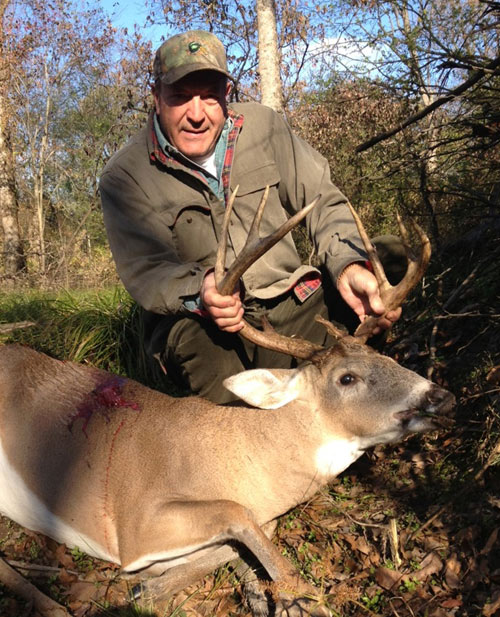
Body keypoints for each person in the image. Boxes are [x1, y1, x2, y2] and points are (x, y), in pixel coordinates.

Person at [99, 30, 403, 404]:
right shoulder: (126, 175)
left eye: (209, 96)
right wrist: (203, 288)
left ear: (226, 95)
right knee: (217, 376)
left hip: (292, 300)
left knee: (387, 259)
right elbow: (147, 271)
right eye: (180, 97)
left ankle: (361, 396)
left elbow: (323, 199)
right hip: (209, 324)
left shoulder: (263, 126)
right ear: (156, 97)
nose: (197, 114)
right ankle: (242, 438)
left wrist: (347, 266)